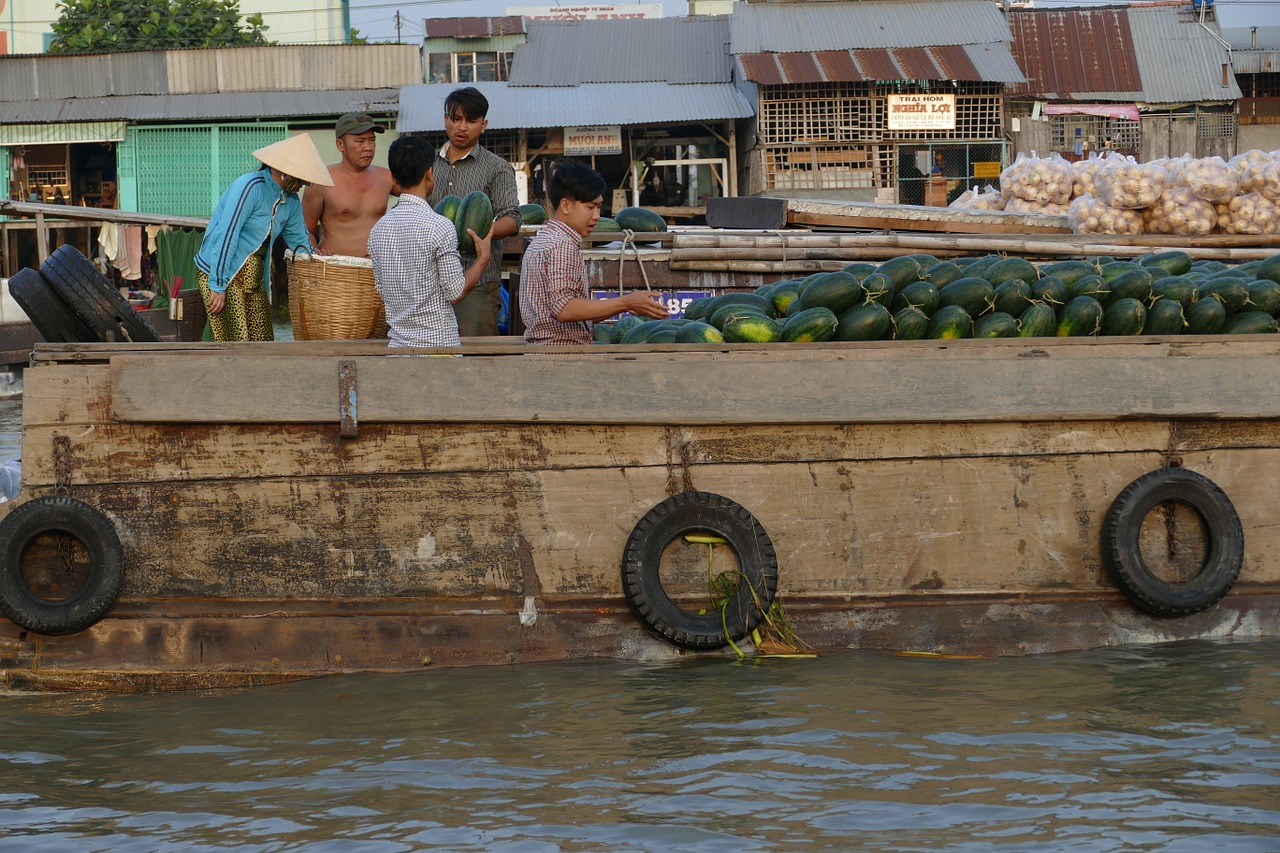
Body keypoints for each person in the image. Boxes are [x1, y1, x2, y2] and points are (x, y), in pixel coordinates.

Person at [195, 135, 333, 341]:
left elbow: (300, 241)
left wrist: (317, 261)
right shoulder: (250, 187)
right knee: (237, 343)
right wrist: (217, 284)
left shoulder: (292, 201)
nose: (304, 183)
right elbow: (227, 233)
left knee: (263, 341)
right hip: (222, 272)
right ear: (283, 170)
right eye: (301, 178)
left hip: (254, 277)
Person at [520, 160, 666, 345]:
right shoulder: (562, 245)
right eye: (590, 207)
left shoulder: (542, 239)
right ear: (565, 206)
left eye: (599, 207)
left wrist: (623, 306)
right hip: (562, 356)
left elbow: (560, 314)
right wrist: (627, 302)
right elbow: (564, 309)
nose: (597, 215)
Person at [368, 135, 493, 348]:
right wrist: (483, 258)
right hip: (438, 350)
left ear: (394, 179)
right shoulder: (440, 226)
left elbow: (382, 290)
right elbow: (455, 293)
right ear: (429, 174)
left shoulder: (377, 231)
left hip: (398, 350)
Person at [425, 86, 520, 338]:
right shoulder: (428, 166)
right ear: (446, 119)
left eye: (471, 120)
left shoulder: (497, 168)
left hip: (477, 282)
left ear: (484, 124)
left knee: (477, 363)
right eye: (456, 119)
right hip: (429, 283)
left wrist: (484, 233)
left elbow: (513, 217)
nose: (462, 127)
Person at [302, 113, 395, 258]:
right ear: (340, 145)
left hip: (377, 270)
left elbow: (417, 192)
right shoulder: (322, 181)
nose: (368, 147)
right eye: (360, 141)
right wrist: (316, 253)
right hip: (336, 271)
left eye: (372, 140)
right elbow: (305, 230)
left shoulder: (387, 177)